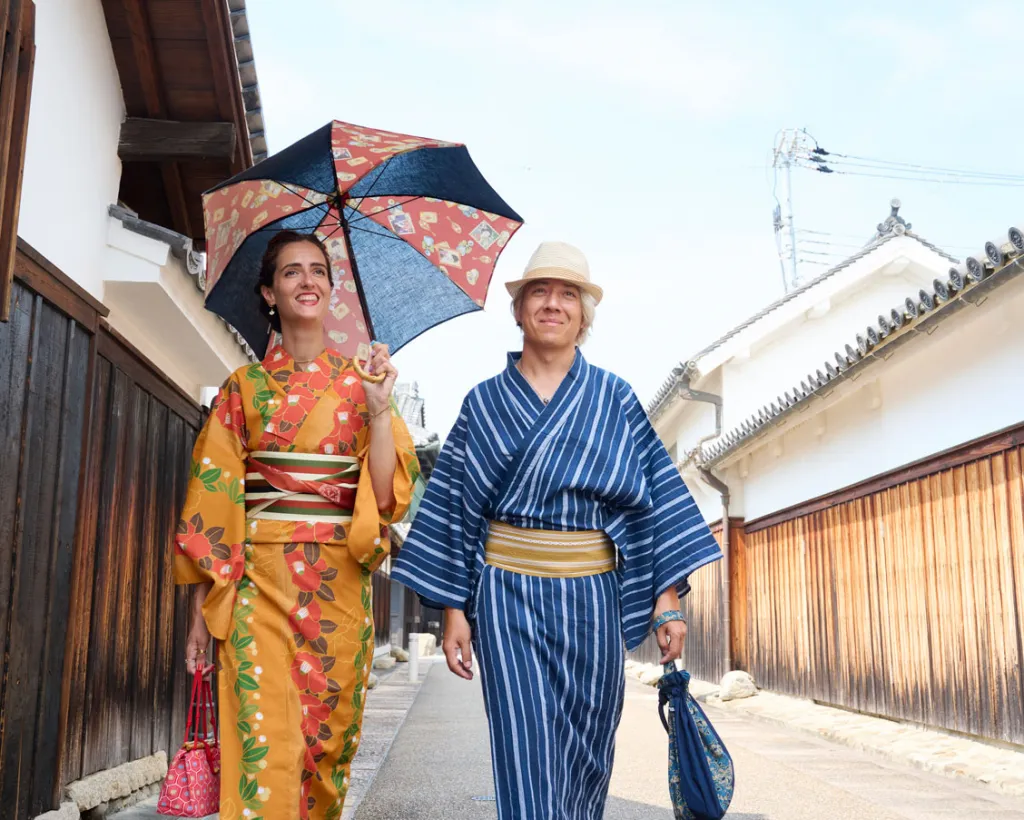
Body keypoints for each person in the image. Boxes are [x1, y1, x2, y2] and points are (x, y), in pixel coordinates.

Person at [392, 240, 723, 820]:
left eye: (568, 294)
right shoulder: (484, 403)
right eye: (539, 292)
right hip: (507, 594)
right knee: (523, 746)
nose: (552, 304)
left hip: (592, 594)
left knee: (589, 752)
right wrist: (454, 611)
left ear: (583, 317)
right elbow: (453, 511)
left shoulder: (614, 399)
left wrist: (666, 601)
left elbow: (652, 506)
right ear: (519, 311)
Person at [174, 230, 418, 819]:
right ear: (269, 293)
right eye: (291, 272)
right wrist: (200, 614)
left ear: (332, 289)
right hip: (256, 582)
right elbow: (214, 506)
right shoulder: (242, 389)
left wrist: (379, 409)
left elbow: (386, 496)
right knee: (263, 744)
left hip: (337, 585)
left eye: (318, 270)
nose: (307, 280)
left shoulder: (365, 385)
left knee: (323, 749)